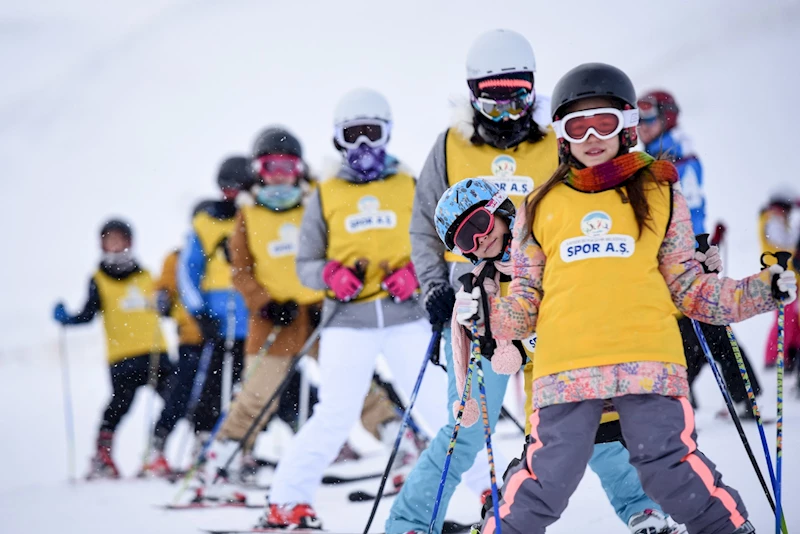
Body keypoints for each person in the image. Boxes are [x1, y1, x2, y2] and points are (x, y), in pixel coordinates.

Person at [465, 62, 796, 534]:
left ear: (627, 126)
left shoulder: (660, 191)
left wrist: (763, 291)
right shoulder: (539, 206)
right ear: (562, 135)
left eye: (605, 122)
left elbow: (692, 290)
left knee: (670, 468)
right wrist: (486, 314)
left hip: (648, 361)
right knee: (546, 482)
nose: (592, 135)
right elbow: (525, 304)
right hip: (566, 370)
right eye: (578, 125)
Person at [391, 29, 670, 534]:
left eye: (518, 98)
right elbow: (422, 223)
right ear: (472, 94)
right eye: (492, 102)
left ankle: (641, 509)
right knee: (466, 427)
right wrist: (436, 286)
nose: (507, 114)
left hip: (553, 298)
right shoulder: (449, 145)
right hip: (480, 304)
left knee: (588, 409)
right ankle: (412, 522)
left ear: (534, 91)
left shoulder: (557, 142)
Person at [434, 179, 684, 534]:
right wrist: (483, 331)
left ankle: (648, 514)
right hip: (549, 391)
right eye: (465, 240)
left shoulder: (551, 245)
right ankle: (505, 522)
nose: (479, 240)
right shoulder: (485, 285)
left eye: (480, 225)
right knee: (542, 471)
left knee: (618, 448)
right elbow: (511, 348)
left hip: (600, 368)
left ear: (502, 210)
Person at [258, 88, 448, 530]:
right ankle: (286, 501)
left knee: (441, 408)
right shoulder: (324, 195)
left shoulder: (409, 184)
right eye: (352, 135)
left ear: (387, 135)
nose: (363, 146)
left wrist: (418, 275)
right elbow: (305, 264)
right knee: (336, 414)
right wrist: (331, 275)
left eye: (372, 134)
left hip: (407, 318)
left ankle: (490, 493)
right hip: (348, 322)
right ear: (338, 141)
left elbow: (435, 241)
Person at [192, 128, 403, 500]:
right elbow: (241, 271)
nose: (279, 175)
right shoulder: (248, 213)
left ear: (299, 168)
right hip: (274, 318)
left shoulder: (316, 200)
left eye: (287, 166)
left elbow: (339, 244)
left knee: (353, 385)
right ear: (259, 170)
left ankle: (401, 449)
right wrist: (264, 303)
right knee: (257, 395)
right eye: (271, 166)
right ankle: (218, 464)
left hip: (324, 314)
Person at [637, 90, 763, 418]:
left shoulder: (672, 155)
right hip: (685, 251)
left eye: (648, 117)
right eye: (637, 118)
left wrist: (692, 249)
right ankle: (700, 397)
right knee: (696, 328)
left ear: (667, 117)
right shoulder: (660, 152)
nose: (642, 126)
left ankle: (722, 396)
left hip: (685, 253)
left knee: (705, 324)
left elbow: (686, 208)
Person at [53, 219, 174, 479]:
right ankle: (102, 456)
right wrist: (67, 319)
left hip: (155, 353)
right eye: (110, 240)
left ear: (130, 243)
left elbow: (166, 308)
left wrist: (167, 302)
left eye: (120, 239)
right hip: (123, 356)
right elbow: (88, 314)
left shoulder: (147, 276)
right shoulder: (99, 280)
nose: (115, 245)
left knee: (176, 401)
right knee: (119, 406)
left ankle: (157, 453)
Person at [177, 157, 251, 451]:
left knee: (257, 387)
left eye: (238, 187)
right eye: (227, 187)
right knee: (215, 383)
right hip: (220, 321)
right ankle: (205, 440)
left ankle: (245, 445)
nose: (232, 194)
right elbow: (188, 271)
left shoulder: (255, 217)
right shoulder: (205, 223)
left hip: (255, 318)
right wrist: (198, 312)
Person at [141, 247, 205, 476]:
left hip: (221, 338)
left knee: (211, 396)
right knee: (181, 391)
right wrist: (162, 297)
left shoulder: (224, 252)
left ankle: (204, 446)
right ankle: (157, 445)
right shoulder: (180, 257)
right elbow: (165, 283)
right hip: (190, 336)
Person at [759, 188, 800, 369]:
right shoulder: (772, 220)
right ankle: (774, 357)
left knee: (792, 319)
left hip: (789, 277)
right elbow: (785, 242)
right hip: (780, 278)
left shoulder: (776, 220)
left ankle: (790, 354)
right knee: (785, 319)